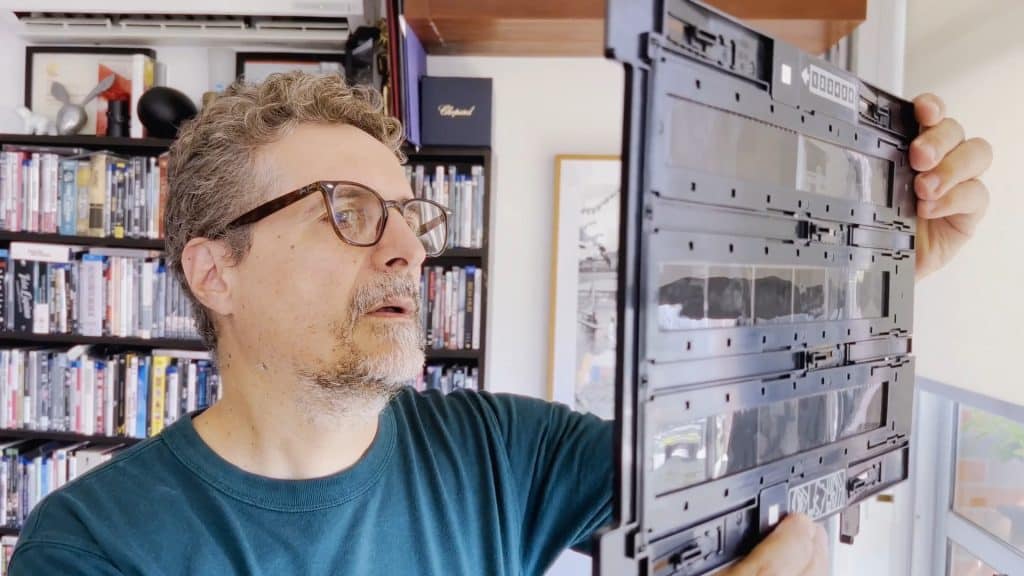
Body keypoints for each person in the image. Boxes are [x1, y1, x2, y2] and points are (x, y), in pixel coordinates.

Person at [8, 71, 991, 575]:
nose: (407, 251)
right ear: (216, 269)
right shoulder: (94, 548)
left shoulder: (506, 454)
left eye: (410, 216)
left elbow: (759, 472)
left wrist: (870, 278)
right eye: (350, 211)